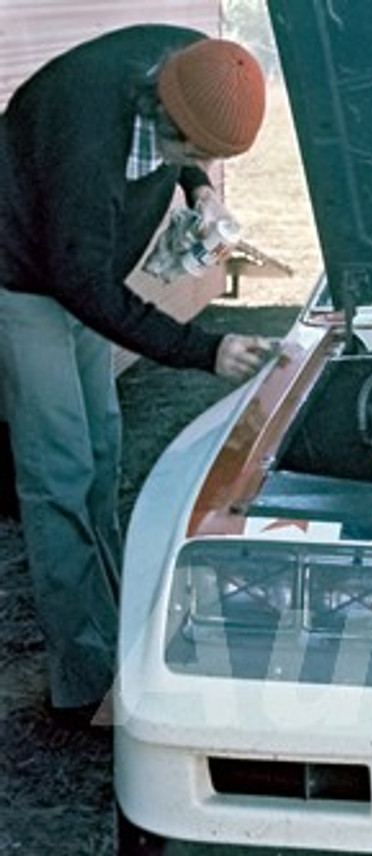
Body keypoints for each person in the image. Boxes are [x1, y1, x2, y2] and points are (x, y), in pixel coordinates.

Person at [0, 25, 276, 726]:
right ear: (161, 113)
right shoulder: (86, 126)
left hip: (80, 262)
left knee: (102, 451)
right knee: (58, 470)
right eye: (191, 152)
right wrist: (202, 349)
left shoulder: (194, 63)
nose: (199, 163)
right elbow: (79, 279)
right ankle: (84, 683)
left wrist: (198, 190)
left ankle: (123, 629)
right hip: (22, 274)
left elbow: (186, 148)